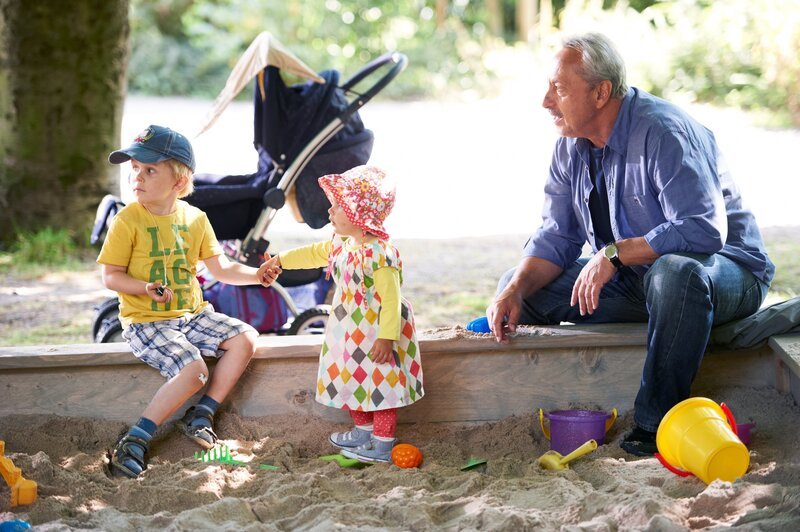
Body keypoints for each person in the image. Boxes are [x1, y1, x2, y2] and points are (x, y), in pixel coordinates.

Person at [486, 33, 774, 456]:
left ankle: (656, 422)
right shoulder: (569, 146)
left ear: (601, 92)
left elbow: (704, 230)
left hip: (726, 272)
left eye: (559, 88)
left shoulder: (663, 131)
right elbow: (557, 235)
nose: (546, 101)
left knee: (674, 272)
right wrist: (513, 290)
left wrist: (614, 253)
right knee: (521, 284)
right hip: (641, 281)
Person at [97, 125, 277, 478]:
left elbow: (221, 269)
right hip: (146, 320)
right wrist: (144, 288)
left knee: (246, 339)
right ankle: (136, 438)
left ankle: (202, 415)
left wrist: (257, 274)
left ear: (179, 182)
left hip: (192, 316)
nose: (137, 177)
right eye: (135, 168)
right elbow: (111, 276)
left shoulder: (195, 219)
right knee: (194, 371)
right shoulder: (127, 220)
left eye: (149, 170)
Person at [263, 165, 423, 463]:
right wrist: (280, 260)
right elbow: (313, 253)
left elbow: (391, 300)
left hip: (377, 332)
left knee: (381, 384)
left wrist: (387, 338)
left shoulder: (380, 254)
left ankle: (383, 442)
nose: (330, 210)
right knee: (351, 379)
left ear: (360, 216)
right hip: (348, 330)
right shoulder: (343, 244)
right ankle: (362, 430)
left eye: (338, 206)